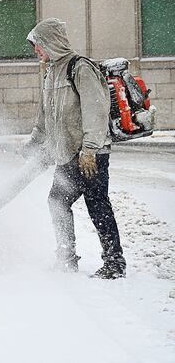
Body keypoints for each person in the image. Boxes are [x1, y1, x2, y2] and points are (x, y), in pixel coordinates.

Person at [23, 18, 126, 279]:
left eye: (38, 45)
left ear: (51, 43)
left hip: (90, 155)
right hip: (67, 154)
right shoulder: (51, 72)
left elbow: (96, 110)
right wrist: (33, 144)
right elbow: (44, 118)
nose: (36, 51)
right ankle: (66, 258)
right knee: (57, 201)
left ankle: (115, 263)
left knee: (97, 204)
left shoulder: (80, 68)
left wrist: (90, 150)